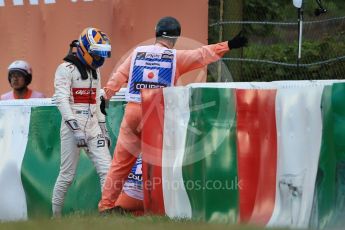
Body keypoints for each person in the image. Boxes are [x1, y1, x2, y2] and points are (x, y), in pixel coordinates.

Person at [98, 16, 248, 213]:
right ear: (175, 37)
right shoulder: (175, 57)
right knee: (158, 166)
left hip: (133, 111)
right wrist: (228, 45)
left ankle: (105, 206)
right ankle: (157, 208)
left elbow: (119, 76)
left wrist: (106, 95)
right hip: (156, 117)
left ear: (156, 33)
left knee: (119, 163)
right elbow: (202, 55)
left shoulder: (137, 53)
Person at [52, 27, 112, 217]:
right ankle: (56, 218)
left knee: (107, 170)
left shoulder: (97, 71)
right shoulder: (65, 69)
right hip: (72, 127)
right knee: (67, 175)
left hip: (93, 125)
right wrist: (75, 129)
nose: (99, 58)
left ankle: (106, 213)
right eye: (97, 53)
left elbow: (97, 102)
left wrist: (104, 129)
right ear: (85, 49)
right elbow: (61, 99)